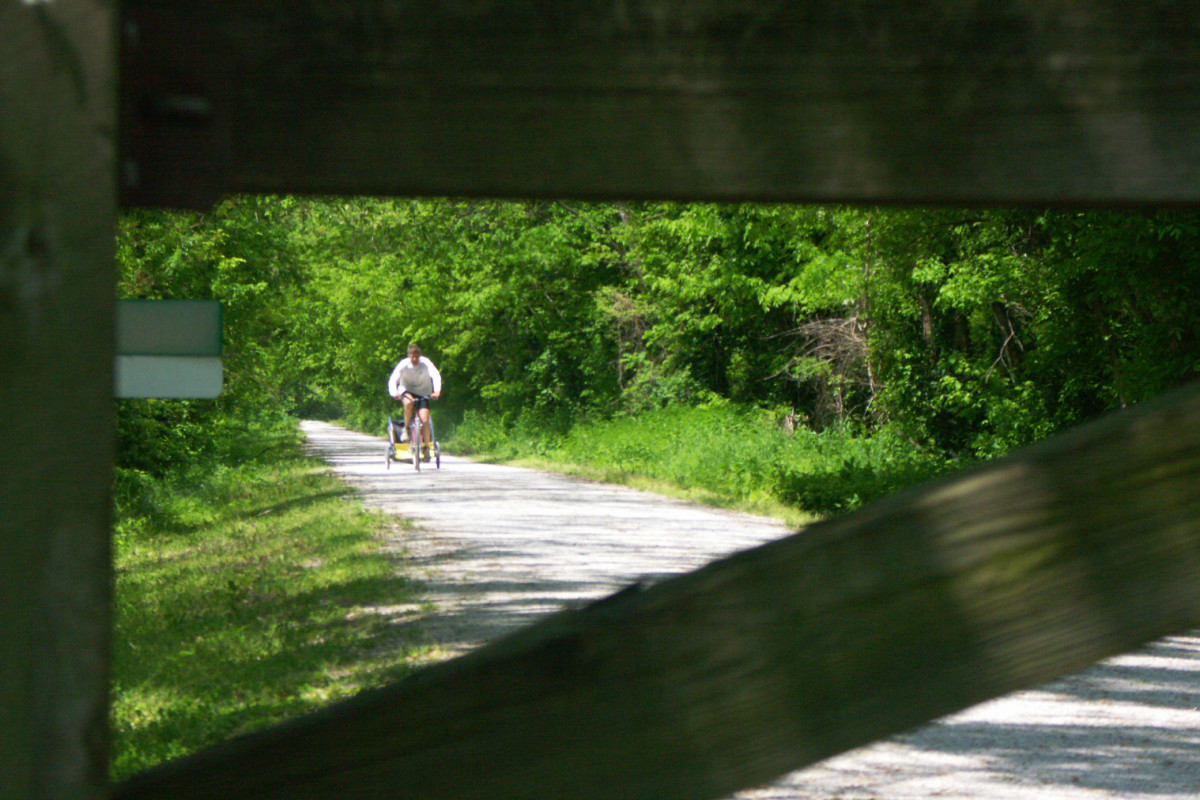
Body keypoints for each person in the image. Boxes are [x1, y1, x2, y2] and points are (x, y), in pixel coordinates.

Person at [387, 343, 442, 456]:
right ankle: (406, 429)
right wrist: (394, 393)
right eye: (412, 356)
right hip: (406, 389)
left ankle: (426, 447)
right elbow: (393, 379)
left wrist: (437, 391)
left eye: (417, 357)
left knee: (425, 419)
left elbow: (435, 375)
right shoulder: (403, 364)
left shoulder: (426, 363)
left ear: (420, 356)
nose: (415, 359)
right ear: (409, 356)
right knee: (408, 403)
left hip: (423, 392)